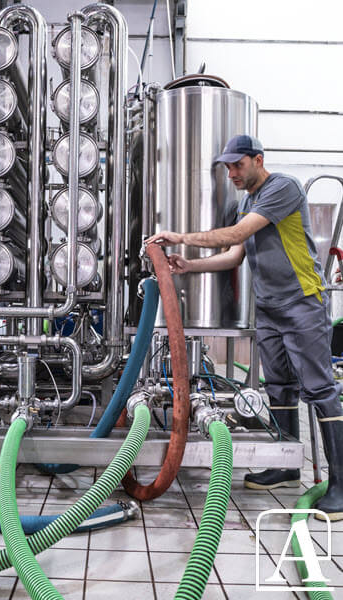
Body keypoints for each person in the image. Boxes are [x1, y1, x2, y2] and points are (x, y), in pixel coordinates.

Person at [145, 134, 343, 520]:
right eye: (227, 167)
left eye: (237, 165)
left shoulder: (282, 187)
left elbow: (236, 236)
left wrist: (180, 236)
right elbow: (235, 256)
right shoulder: (246, 202)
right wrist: (189, 265)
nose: (231, 173)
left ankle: (341, 485)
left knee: (320, 389)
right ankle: (287, 466)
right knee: (279, 385)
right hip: (268, 307)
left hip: (302, 301)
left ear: (258, 160)